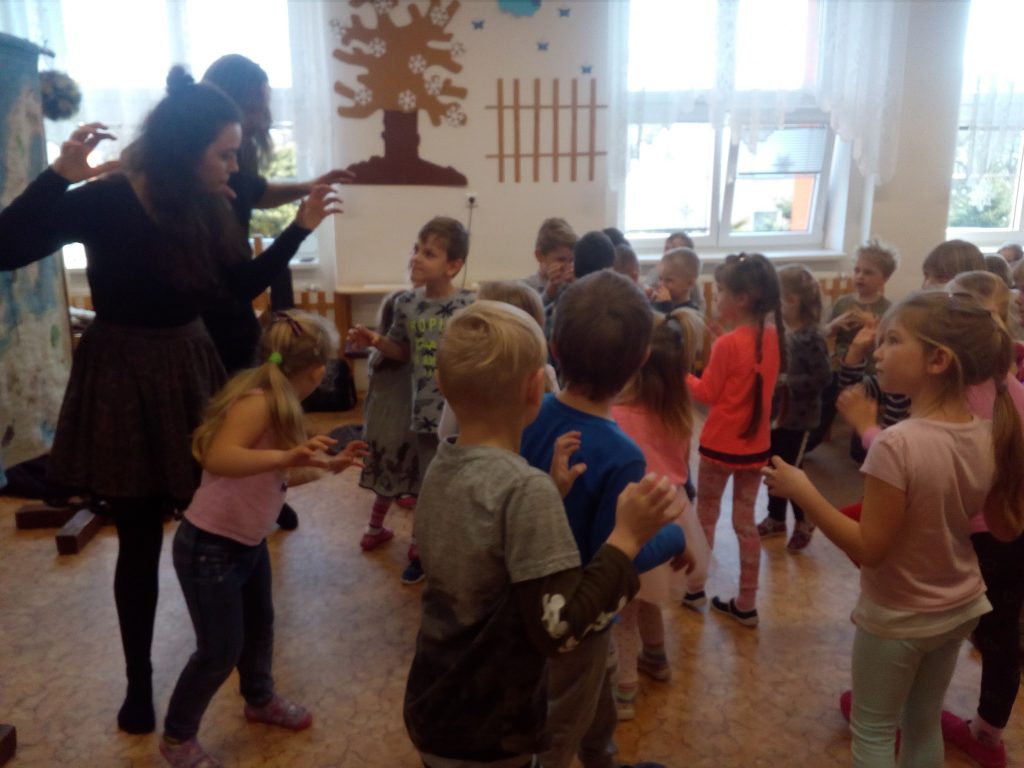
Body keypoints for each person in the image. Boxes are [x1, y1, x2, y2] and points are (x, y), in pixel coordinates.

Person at [0, 67, 299, 734]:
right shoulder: (106, 199)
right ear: (184, 148)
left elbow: (233, 288)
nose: (234, 165)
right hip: (122, 376)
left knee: (233, 523)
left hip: (190, 366)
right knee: (136, 539)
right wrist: (57, 177)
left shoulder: (207, 201)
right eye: (224, 152)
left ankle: (254, 683)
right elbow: (6, 248)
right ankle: (139, 687)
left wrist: (295, 230)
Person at [404, 300, 681, 768]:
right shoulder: (525, 489)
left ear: (442, 386)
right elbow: (561, 631)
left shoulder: (442, 466)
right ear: (537, 387)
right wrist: (627, 538)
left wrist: (549, 492)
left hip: (435, 702)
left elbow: (486, 548)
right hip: (491, 727)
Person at [763, 290, 1024, 767]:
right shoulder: (987, 432)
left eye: (893, 340)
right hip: (959, 604)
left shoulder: (897, 445)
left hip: (902, 614)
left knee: (874, 731)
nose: (878, 352)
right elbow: (1003, 526)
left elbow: (870, 548)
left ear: (938, 360)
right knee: (922, 722)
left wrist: (803, 491)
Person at [159, 311, 367, 768]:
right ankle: (177, 737)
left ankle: (260, 699)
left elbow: (275, 474)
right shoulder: (258, 402)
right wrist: (285, 455)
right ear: (318, 371)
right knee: (218, 651)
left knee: (259, 629)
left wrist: (326, 466)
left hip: (247, 542)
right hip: (209, 547)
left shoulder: (278, 402)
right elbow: (218, 457)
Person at [521, 270, 686, 768]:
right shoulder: (622, 454)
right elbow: (614, 557)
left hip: (528, 598)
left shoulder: (530, 412)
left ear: (554, 348)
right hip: (581, 620)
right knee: (563, 721)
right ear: (641, 359)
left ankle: (601, 757)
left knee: (597, 704)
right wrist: (673, 538)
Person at [202, 53, 353, 531]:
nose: (266, 118)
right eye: (259, 106)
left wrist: (308, 185)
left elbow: (258, 190)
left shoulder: (231, 169)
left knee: (259, 402)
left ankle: (271, 487)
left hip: (229, 313)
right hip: (211, 320)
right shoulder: (208, 188)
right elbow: (244, 281)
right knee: (239, 415)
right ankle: (237, 498)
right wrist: (300, 227)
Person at [347, 216, 475, 584]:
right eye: (417, 249)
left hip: (462, 411)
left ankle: (461, 544)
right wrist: (375, 340)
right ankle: (419, 550)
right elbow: (402, 351)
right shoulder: (406, 303)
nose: (416, 258)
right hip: (425, 412)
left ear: (453, 265)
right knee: (425, 484)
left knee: (456, 482)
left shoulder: (469, 304)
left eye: (429, 253)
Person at [938, 272, 1024, 768]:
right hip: (1010, 532)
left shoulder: (960, 399)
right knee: (1000, 636)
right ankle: (988, 733)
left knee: (942, 625)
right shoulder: (1013, 389)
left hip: (973, 537)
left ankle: (906, 709)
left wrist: (866, 430)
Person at [610, 310, 706, 720]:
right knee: (651, 598)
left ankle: (625, 687)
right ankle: (657, 658)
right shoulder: (680, 412)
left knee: (625, 609)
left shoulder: (616, 415)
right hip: (674, 512)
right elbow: (680, 468)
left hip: (640, 517)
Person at [682, 253, 783, 627]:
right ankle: (747, 602)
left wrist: (679, 373)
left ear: (741, 298)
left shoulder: (728, 345)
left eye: (722, 290)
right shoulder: (772, 337)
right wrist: (720, 342)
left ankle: (695, 589)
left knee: (706, 516)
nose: (717, 296)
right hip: (755, 448)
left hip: (719, 446)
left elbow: (706, 392)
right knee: (745, 523)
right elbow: (748, 373)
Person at [755, 265, 831, 551]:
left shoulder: (812, 337)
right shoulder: (778, 331)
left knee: (791, 471)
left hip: (799, 420)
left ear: (791, 300)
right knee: (773, 467)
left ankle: (804, 520)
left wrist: (787, 381)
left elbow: (823, 377)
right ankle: (776, 518)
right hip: (777, 416)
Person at [809, 240, 898, 453]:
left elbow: (890, 346)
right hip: (839, 368)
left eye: (868, 272)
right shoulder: (843, 303)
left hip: (870, 373)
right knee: (827, 394)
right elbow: (823, 333)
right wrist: (834, 324)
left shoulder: (889, 309)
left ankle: (864, 441)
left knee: (859, 445)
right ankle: (811, 439)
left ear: (884, 279)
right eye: (857, 270)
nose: (860, 276)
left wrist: (874, 326)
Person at [357, 286, 421, 551]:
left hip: (379, 429)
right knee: (418, 483)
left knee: (385, 480)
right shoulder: (415, 359)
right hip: (407, 429)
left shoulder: (376, 355)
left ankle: (373, 530)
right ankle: (416, 545)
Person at [522, 217, 578, 305]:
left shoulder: (571, 286)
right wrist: (549, 294)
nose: (568, 266)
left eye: (571, 260)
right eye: (561, 260)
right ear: (539, 256)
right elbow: (528, 313)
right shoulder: (523, 290)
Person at [651, 246, 701, 314]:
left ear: (690, 283)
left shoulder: (692, 311)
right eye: (660, 278)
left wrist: (665, 305)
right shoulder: (660, 303)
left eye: (669, 280)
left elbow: (671, 320)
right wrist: (649, 302)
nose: (661, 284)